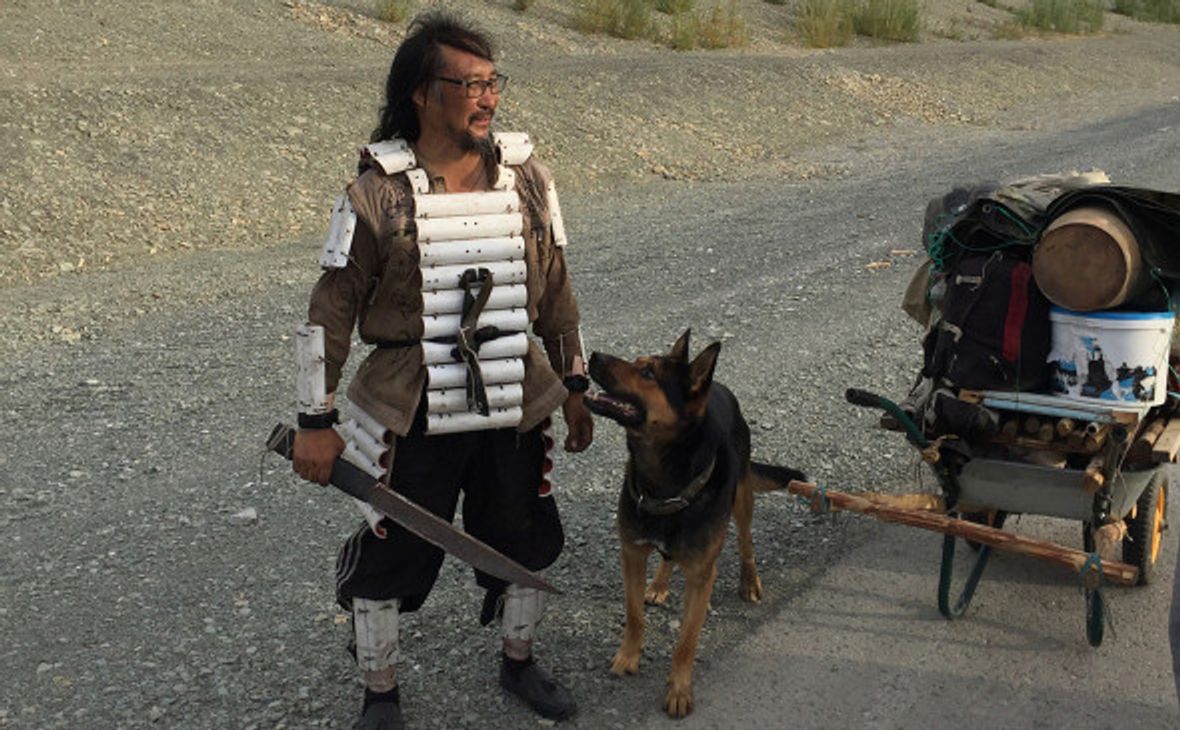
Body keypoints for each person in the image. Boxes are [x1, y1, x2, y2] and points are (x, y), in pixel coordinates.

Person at [290, 11, 593, 729]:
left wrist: (574, 385)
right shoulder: (377, 194)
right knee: (393, 547)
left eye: (493, 83)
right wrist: (314, 420)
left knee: (524, 533)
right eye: (471, 85)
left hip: (513, 391)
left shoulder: (528, 180)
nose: (489, 99)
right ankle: (380, 694)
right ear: (423, 94)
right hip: (411, 401)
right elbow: (330, 311)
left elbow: (555, 291)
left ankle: (519, 661)